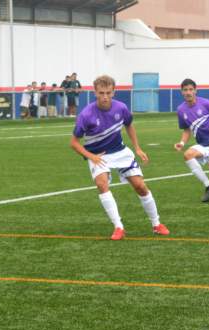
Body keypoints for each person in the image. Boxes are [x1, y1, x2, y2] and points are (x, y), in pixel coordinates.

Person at [70, 75, 169, 240]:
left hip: (120, 152)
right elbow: (74, 143)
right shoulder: (86, 114)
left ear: (114, 92)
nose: (105, 96)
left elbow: (129, 125)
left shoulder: (121, 108)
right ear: (95, 92)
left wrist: (137, 148)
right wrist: (91, 156)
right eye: (101, 93)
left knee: (140, 186)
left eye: (108, 93)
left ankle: (156, 224)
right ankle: (118, 227)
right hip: (99, 155)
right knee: (102, 184)